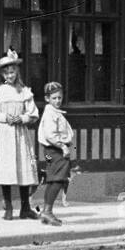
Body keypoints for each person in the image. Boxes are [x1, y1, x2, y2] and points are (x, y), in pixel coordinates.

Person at [0, 48, 40, 220]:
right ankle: (8, 207)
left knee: (23, 169)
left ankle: (25, 207)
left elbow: (33, 113)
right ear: (2, 74)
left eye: (12, 71)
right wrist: (5, 117)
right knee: (5, 169)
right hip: (3, 134)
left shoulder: (24, 91)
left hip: (20, 133)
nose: (9, 75)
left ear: (17, 71)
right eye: (6, 73)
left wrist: (21, 118)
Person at [37, 82, 74, 226]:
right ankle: (47, 211)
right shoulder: (50, 114)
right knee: (58, 179)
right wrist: (62, 146)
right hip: (55, 150)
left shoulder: (55, 112)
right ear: (47, 99)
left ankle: (47, 211)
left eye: (59, 97)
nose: (57, 101)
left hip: (53, 150)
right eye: (54, 98)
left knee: (54, 179)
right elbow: (50, 135)